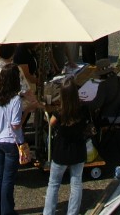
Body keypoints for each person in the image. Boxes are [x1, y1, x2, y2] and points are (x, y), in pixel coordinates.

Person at [41, 80, 89, 215]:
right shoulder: (83, 109)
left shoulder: (59, 112)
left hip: (61, 151)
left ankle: (48, 212)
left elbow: (50, 123)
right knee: (76, 184)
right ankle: (72, 212)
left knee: (53, 184)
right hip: (78, 150)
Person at [0, 64, 26, 215]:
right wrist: (26, 112)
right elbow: (15, 125)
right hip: (11, 142)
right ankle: (7, 211)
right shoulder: (15, 99)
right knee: (8, 179)